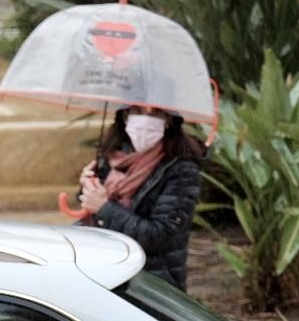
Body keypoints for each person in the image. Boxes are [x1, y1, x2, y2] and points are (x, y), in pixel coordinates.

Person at [76, 105, 205, 290]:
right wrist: (88, 187)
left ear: (169, 119)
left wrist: (104, 208)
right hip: (103, 271)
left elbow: (159, 235)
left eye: (156, 113)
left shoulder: (181, 168)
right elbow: (91, 211)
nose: (145, 120)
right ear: (125, 115)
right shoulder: (113, 155)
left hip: (150, 284)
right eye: (137, 111)